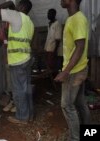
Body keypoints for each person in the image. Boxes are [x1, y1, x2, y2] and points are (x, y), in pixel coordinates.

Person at [0, 0, 34, 124]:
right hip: (26, 59)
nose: (15, 8)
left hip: (17, 61)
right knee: (26, 89)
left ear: (21, 7)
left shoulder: (17, 16)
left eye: (17, 6)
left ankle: (22, 117)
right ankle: (29, 115)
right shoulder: (29, 22)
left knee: (18, 91)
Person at [54, 0, 91, 140]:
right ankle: (88, 133)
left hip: (74, 72)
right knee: (80, 103)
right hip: (78, 69)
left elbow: (80, 47)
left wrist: (66, 71)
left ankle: (75, 138)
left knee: (67, 106)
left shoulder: (78, 19)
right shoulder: (73, 18)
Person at [44, 8, 62, 73]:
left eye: (50, 14)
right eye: (48, 14)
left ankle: (53, 80)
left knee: (52, 66)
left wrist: (55, 51)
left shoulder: (57, 24)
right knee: (48, 66)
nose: (48, 15)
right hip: (47, 48)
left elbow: (58, 39)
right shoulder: (49, 24)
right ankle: (49, 79)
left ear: (54, 15)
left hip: (52, 49)